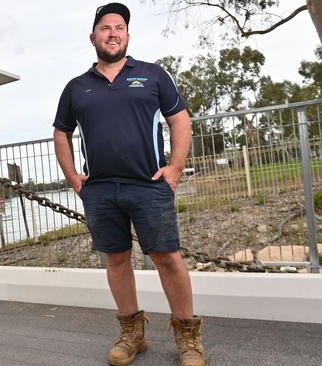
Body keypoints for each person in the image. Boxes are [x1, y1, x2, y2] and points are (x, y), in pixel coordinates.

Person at [52, 3, 206, 366]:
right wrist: (73, 178)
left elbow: (180, 121)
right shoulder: (76, 87)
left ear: (127, 35)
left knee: (167, 258)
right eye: (105, 28)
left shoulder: (153, 75)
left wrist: (175, 168)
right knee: (117, 259)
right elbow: (61, 133)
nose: (112, 33)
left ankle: (188, 337)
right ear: (93, 37)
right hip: (101, 190)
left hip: (149, 186)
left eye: (119, 27)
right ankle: (132, 334)